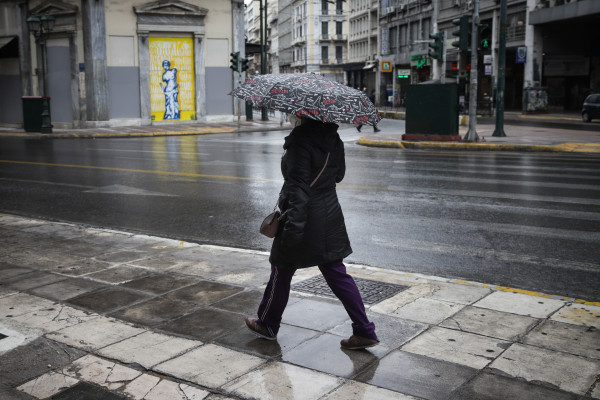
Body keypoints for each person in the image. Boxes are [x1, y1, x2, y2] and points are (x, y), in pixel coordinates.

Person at [245, 114, 379, 350]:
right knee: (337, 273)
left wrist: (293, 232)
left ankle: (267, 324)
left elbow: (298, 190)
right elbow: (338, 175)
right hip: (330, 214)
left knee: (281, 268)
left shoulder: (299, 141)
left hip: (303, 216)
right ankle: (364, 330)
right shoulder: (333, 137)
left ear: (300, 114)